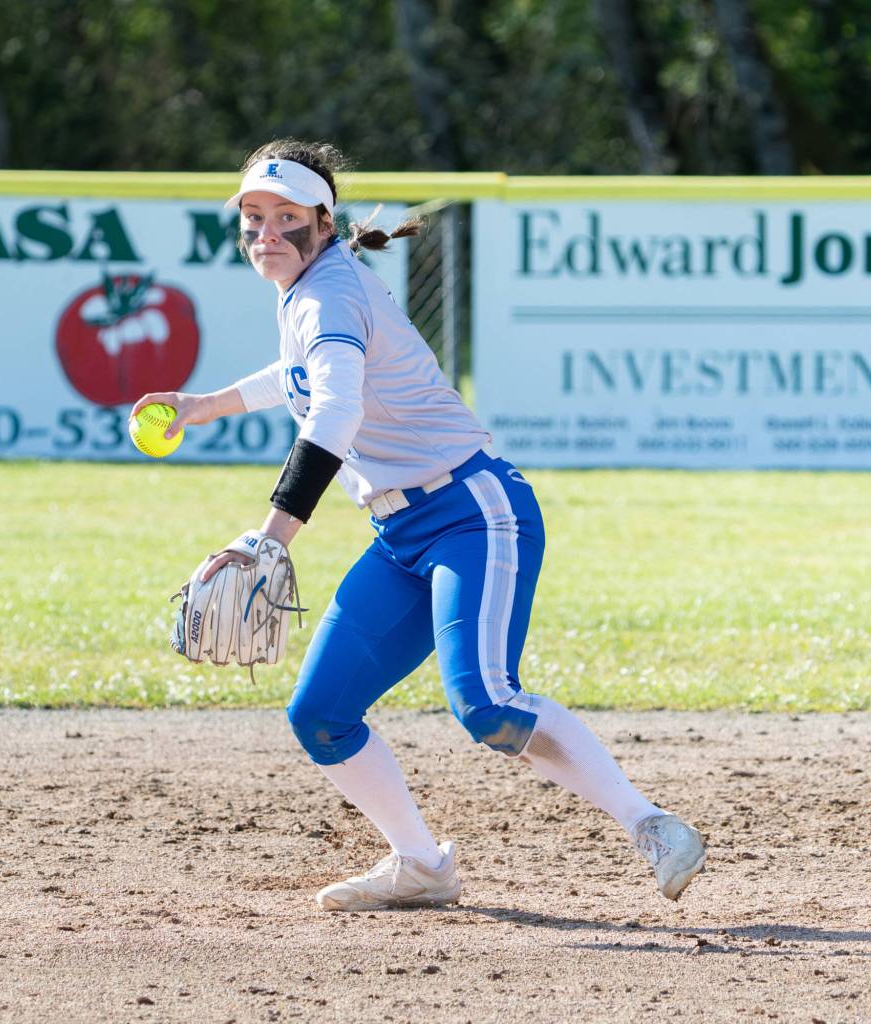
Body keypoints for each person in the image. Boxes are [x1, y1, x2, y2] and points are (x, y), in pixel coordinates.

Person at [131, 139, 706, 912]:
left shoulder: (329, 292)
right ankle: (422, 864)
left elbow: (337, 409)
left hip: (473, 513)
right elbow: (299, 376)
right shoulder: (309, 288)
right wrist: (208, 404)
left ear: (324, 223)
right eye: (253, 217)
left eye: (286, 218)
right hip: (400, 532)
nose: (266, 233)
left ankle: (652, 825)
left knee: (487, 705)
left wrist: (272, 535)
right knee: (322, 713)